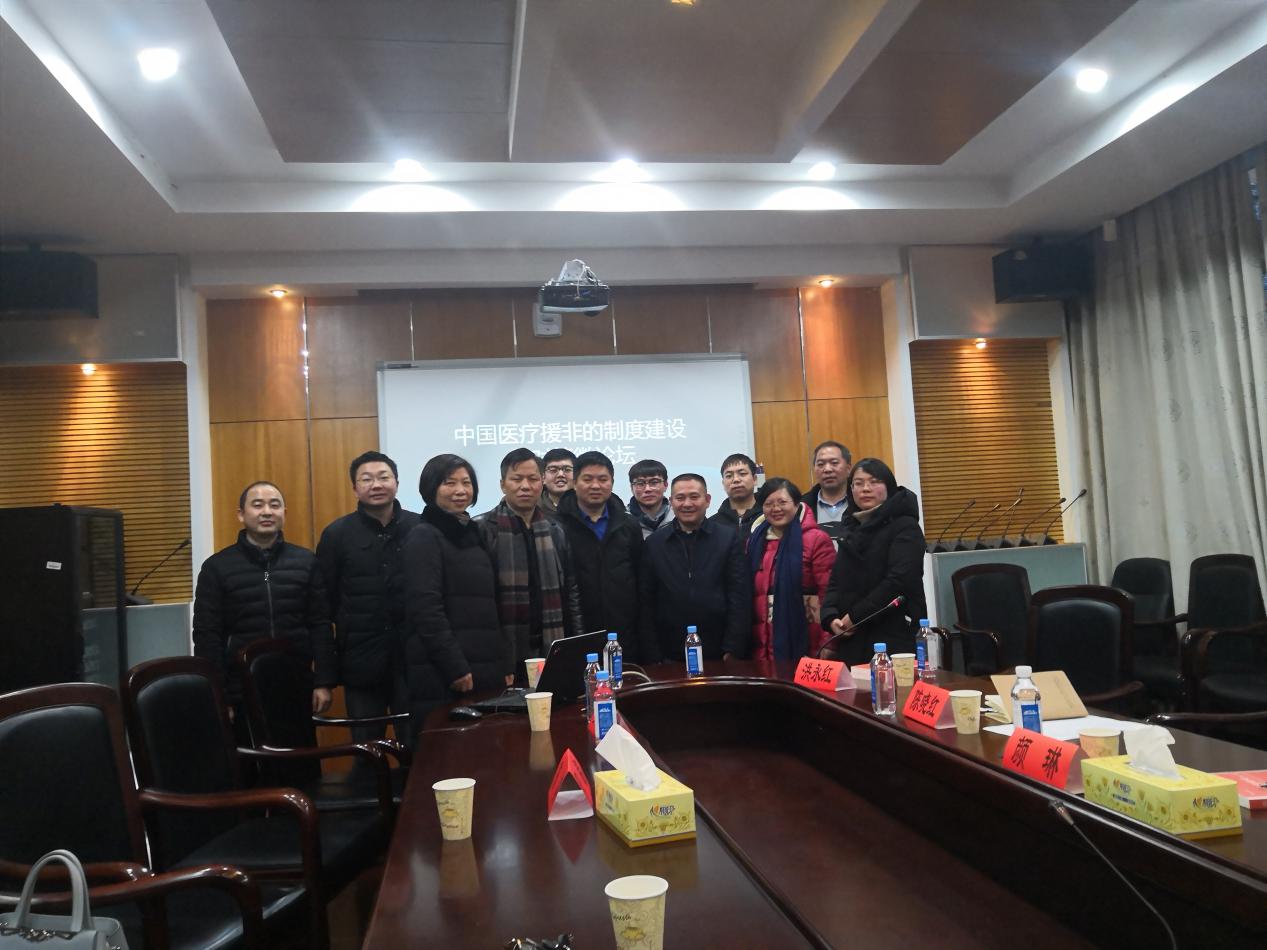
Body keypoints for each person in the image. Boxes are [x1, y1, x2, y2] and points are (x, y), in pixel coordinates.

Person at [193, 481, 335, 738]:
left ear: (284, 513)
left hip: (296, 686)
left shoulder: (306, 562)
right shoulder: (216, 568)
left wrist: (323, 681)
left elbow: (320, 625)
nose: (267, 511)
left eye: (274, 505)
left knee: (300, 759)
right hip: (239, 690)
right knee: (247, 760)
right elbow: (207, 636)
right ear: (241, 514)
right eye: (257, 505)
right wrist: (219, 694)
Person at [315, 451, 419, 745]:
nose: (376, 484)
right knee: (366, 750)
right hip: (361, 664)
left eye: (383, 477)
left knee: (417, 748)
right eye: (367, 479)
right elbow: (323, 608)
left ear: (396, 482)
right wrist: (325, 676)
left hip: (413, 661)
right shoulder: (336, 535)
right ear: (355, 488)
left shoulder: (420, 528)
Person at [402, 455, 513, 727]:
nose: (460, 490)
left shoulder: (474, 532)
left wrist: (504, 663)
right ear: (431, 488)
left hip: (484, 666)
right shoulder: (424, 536)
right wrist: (455, 668)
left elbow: (491, 605)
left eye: (466, 482)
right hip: (446, 673)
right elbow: (426, 610)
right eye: (449, 483)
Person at [476, 448, 585, 681]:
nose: (525, 486)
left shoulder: (555, 530)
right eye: (516, 479)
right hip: (504, 649)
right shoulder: (483, 528)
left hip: (550, 644)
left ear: (542, 482)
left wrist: (575, 644)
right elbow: (479, 601)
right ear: (502, 485)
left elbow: (571, 592)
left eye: (532, 479)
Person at [819, 458, 927, 666]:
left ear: (889, 486)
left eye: (874, 482)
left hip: (893, 633)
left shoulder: (905, 526)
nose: (865, 489)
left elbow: (898, 581)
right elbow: (836, 579)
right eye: (858, 483)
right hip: (852, 635)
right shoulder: (851, 526)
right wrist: (830, 617)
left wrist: (855, 616)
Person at [640, 474, 750, 663]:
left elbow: (739, 596)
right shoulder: (655, 543)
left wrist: (733, 648)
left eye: (694, 496)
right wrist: (653, 655)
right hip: (669, 653)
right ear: (671, 501)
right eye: (680, 498)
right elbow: (646, 601)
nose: (687, 504)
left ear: (707, 500)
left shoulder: (728, 538)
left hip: (719, 651)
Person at [553, 450, 643, 659]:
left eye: (603, 479)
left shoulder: (628, 524)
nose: (595, 486)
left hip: (624, 634)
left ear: (612, 483)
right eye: (587, 479)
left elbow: (640, 580)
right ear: (574, 483)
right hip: (576, 633)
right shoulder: (557, 526)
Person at [746, 478, 835, 662]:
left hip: (807, 638)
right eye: (769, 504)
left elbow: (829, 593)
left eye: (782, 502)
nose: (776, 508)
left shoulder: (816, 539)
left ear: (796, 503)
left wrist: (829, 641)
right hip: (761, 641)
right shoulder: (754, 541)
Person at [805, 441, 853, 549]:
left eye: (834, 463)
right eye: (820, 464)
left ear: (848, 468)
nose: (827, 469)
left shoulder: (861, 503)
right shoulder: (802, 507)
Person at [710, 452, 760, 536]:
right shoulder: (712, 525)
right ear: (723, 483)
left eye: (742, 474)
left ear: (754, 479)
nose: (736, 479)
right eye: (729, 476)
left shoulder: (768, 518)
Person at [626, 459, 672, 539]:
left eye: (654, 482)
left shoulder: (678, 516)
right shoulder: (622, 520)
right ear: (631, 488)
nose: (647, 489)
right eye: (640, 483)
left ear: (665, 485)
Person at [539, 448, 577, 513]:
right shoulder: (533, 509)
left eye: (567, 469)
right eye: (553, 470)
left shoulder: (588, 506)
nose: (560, 474)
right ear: (543, 477)